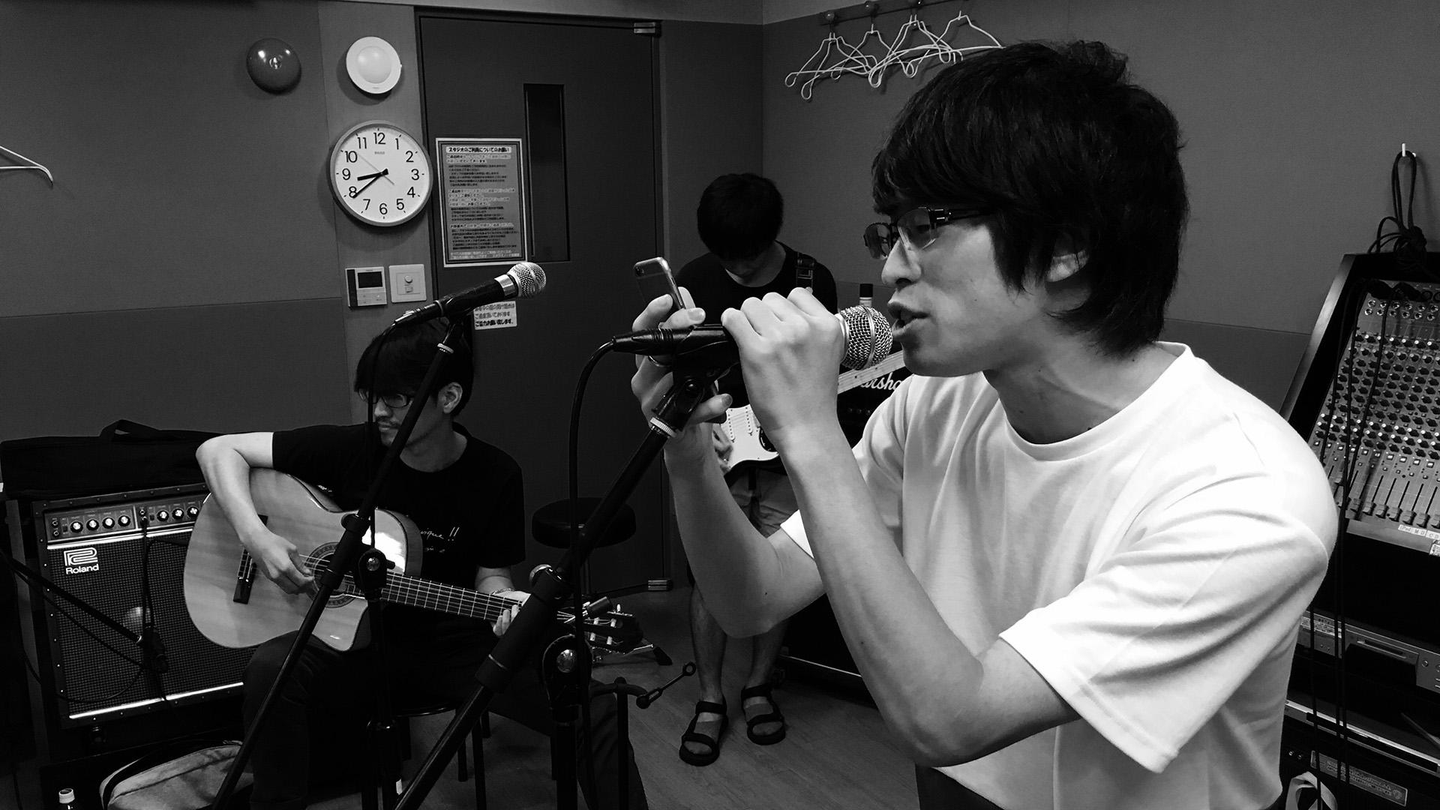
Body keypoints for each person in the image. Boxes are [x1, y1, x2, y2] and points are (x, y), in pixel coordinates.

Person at [631, 41, 1336, 810]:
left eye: (927, 227)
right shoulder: (934, 407)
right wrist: (688, 453)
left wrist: (807, 431)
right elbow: (750, 599)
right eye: (889, 233)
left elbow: (951, 718)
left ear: (1067, 245)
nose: (893, 269)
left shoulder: (1249, 496)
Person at [197, 318, 648, 810]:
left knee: (596, 710)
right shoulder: (352, 449)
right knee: (270, 669)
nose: (379, 411)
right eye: (372, 396)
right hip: (352, 644)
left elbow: (491, 576)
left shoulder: (495, 474)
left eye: (396, 399)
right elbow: (218, 450)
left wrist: (504, 602)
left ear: (448, 398)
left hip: (452, 644)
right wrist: (258, 537)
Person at [667, 173, 838, 767]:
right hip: (718, 445)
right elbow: (682, 367)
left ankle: (760, 684)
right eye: (726, 257)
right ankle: (711, 697)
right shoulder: (693, 279)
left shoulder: (811, 280)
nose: (738, 267)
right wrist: (703, 420)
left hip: (785, 450)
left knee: (778, 562)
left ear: (773, 236)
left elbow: (822, 372)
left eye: (750, 255)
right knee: (711, 572)